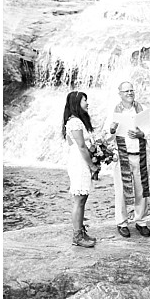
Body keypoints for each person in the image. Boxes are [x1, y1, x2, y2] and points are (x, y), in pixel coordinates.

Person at [106, 81, 150, 238]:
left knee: (141, 189)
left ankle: (140, 221)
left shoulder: (142, 111)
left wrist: (142, 134)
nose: (130, 93)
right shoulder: (114, 112)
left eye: (131, 90)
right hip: (122, 156)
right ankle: (122, 222)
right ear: (119, 94)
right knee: (121, 190)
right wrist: (112, 130)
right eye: (126, 91)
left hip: (139, 155)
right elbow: (105, 137)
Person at [62, 91, 100, 248]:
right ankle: (77, 235)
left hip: (81, 160)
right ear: (77, 103)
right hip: (79, 162)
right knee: (79, 199)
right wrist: (92, 165)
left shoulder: (78, 120)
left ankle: (80, 230)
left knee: (83, 197)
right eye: (85, 100)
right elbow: (81, 146)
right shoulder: (75, 122)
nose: (87, 103)